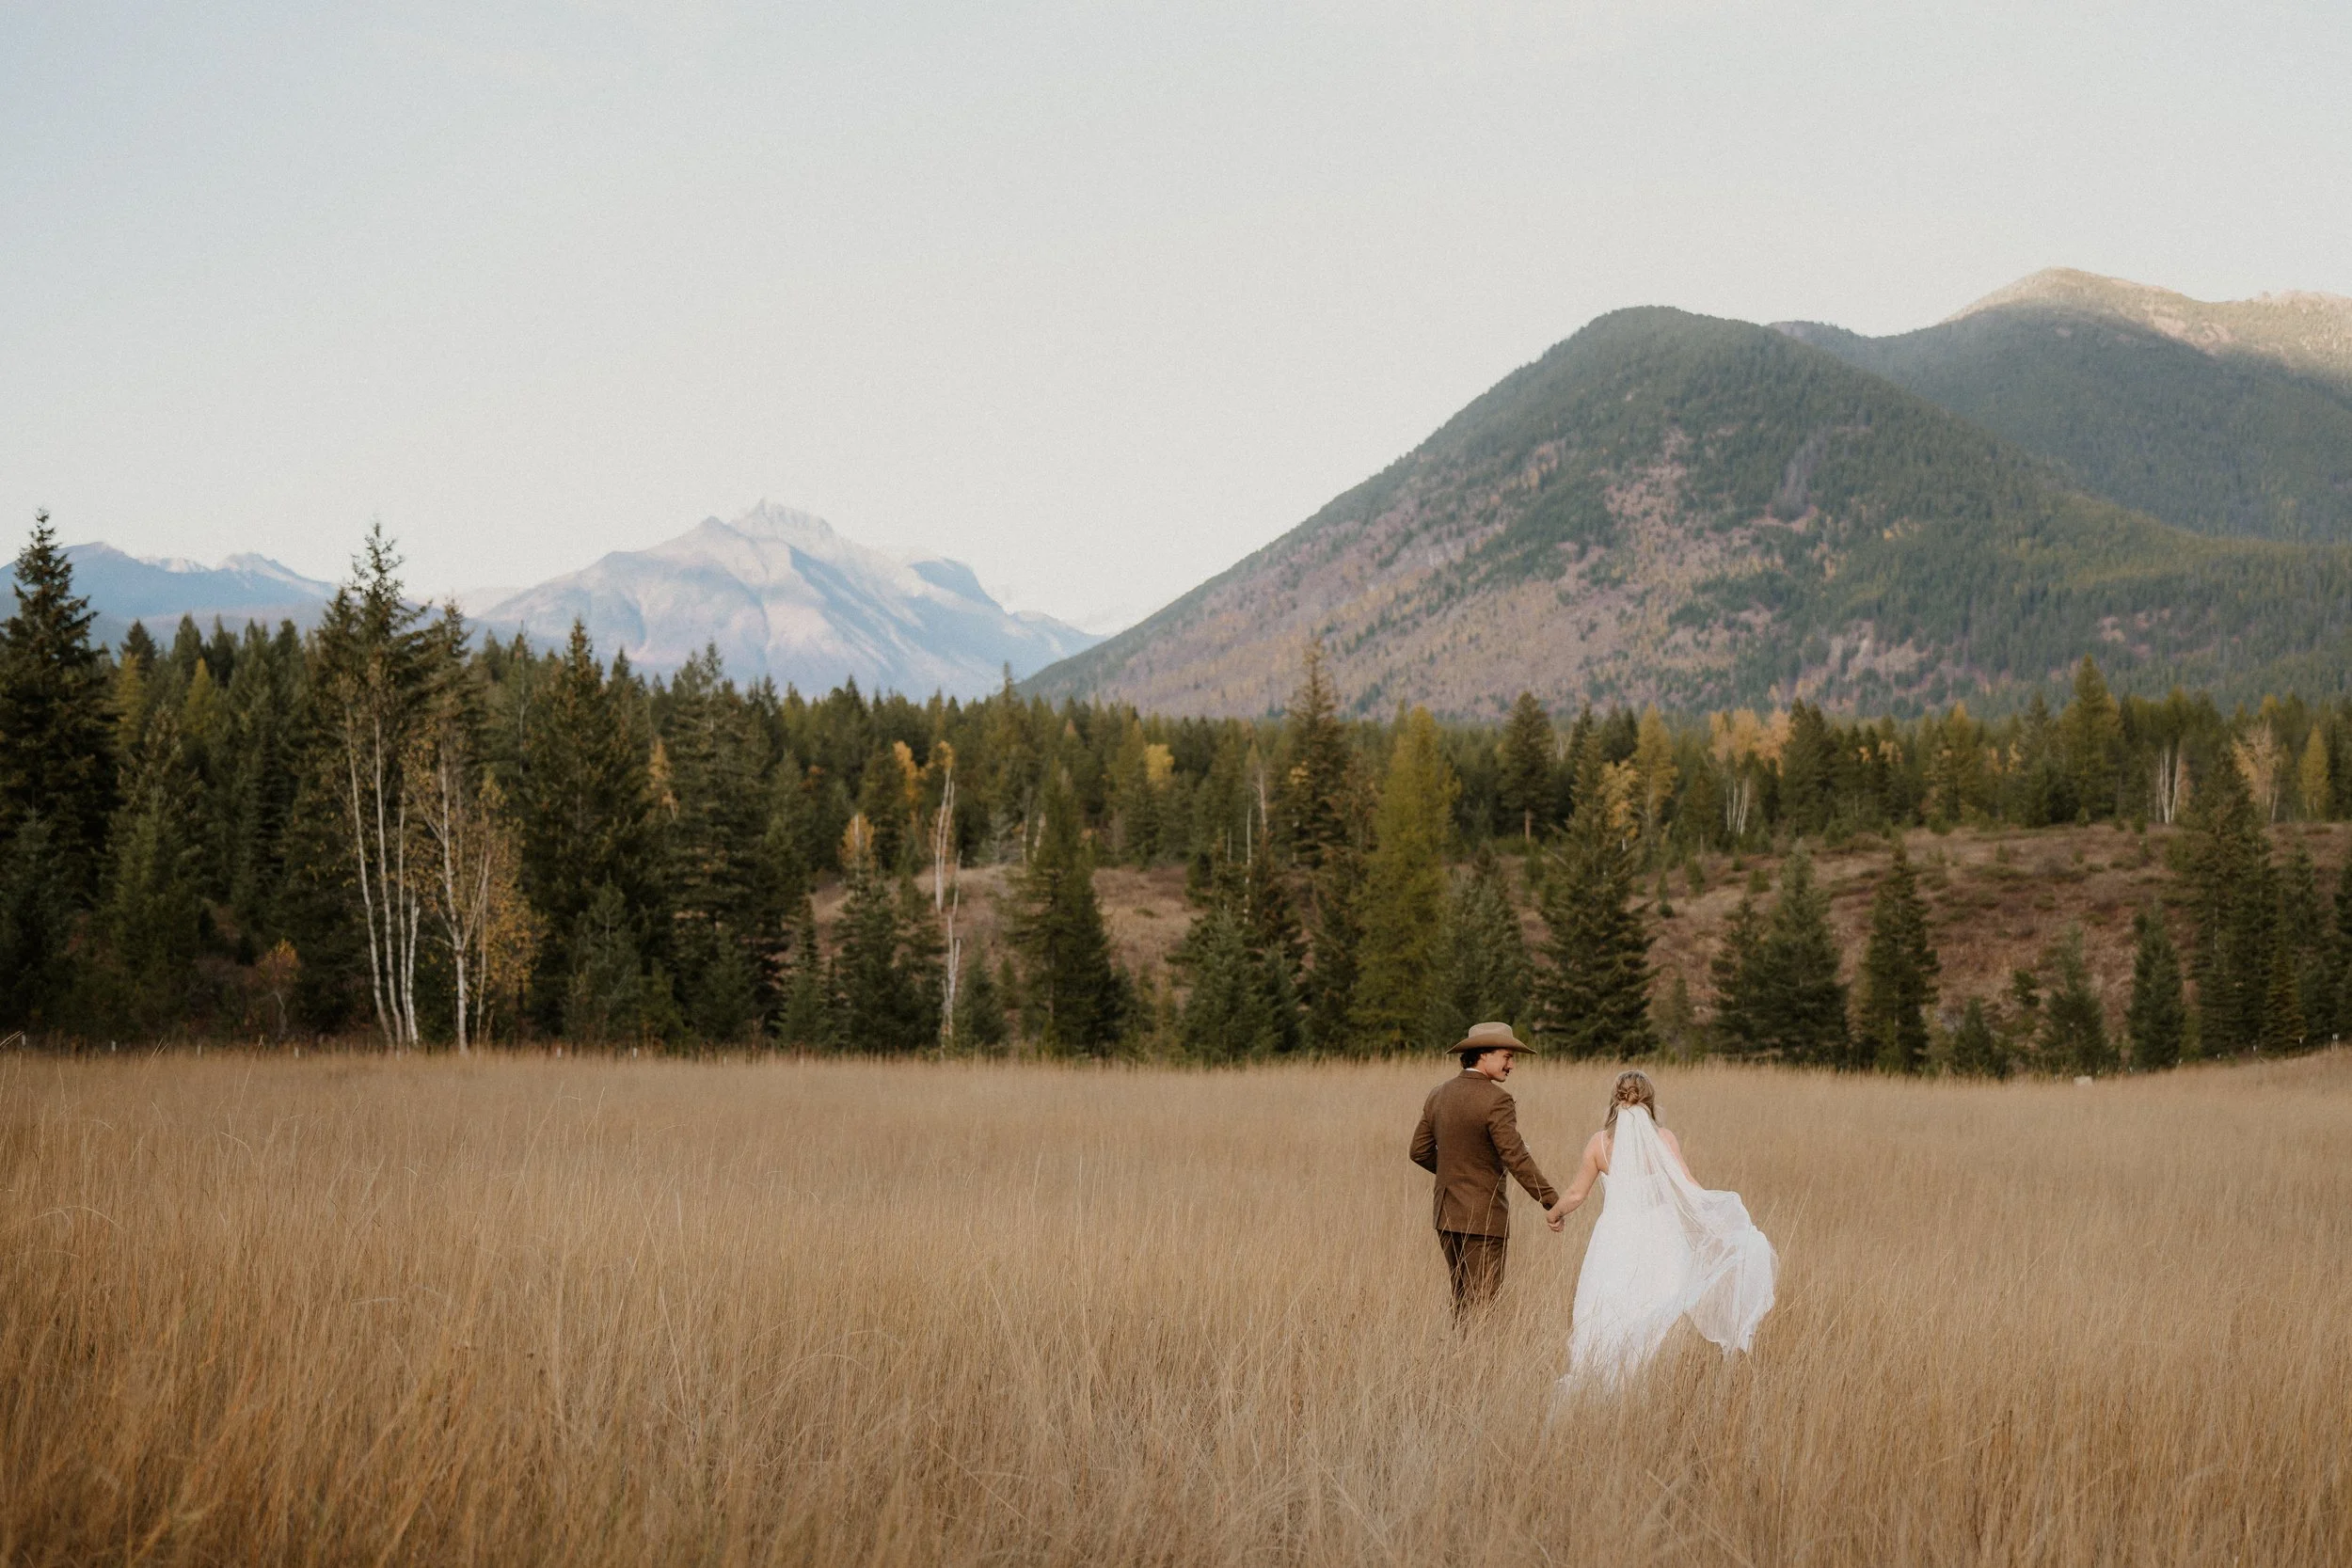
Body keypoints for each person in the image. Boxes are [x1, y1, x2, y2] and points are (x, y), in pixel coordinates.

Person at [1546, 1070, 1776, 1388]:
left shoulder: (1600, 1144)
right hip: (1662, 1236)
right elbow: (1688, 1185)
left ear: (1615, 1099)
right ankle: (1648, 1378)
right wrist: (1718, 1220)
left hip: (1615, 1238)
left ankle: (1605, 1378)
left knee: (1609, 1308)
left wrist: (1554, 1214)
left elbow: (1575, 1194)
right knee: (1659, 1306)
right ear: (1650, 1100)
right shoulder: (1664, 1139)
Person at [1408, 1022, 1560, 1317]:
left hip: (1446, 1215)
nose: (1512, 1065)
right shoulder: (1497, 1100)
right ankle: (1480, 1362)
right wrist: (1552, 1200)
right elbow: (1515, 1157)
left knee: (1462, 1301)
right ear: (1483, 1055)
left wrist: (1456, 1171)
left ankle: (1463, 1361)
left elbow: (1419, 1151)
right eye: (1506, 1056)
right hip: (1484, 1218)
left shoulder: (1438, 1094)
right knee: (1485, 1306)